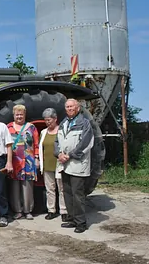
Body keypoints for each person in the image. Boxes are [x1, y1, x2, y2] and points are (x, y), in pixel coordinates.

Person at [55, 99, 94, 233]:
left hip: (77, 164)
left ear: (77, 108)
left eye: (72, 106)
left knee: (78, 195)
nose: (69, 108)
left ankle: (81, 223)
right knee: (67, 193)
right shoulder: (63, 123)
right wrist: (59, 154)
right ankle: (71, 219)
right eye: (67, 107)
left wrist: (70, 155)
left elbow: (86, 143)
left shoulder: (84, 123)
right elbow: (57, 141)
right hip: (64, 164)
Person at [7, 104, 40, 220]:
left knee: (27, 187)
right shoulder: (9, 127)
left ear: (25, 115)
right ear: (13, 115)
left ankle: (28, 210)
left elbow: (36, 143)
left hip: (28, 161)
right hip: (14, 161)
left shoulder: (31, 127)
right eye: (17, 114)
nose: (19, 116)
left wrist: (36, 158)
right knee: (14, 187)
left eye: (21, 114)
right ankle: (17, 210)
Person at [39, 108, 68, 221]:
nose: (47, 122)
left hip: (58, 164)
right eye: (46, 120)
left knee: (61, 189)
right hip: (47, 165)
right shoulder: (43, 132)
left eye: (49, 120)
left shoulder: (61, 131)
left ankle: (64, 211)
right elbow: (41, 148)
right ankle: (51, 210)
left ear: (55, 119)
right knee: (49, 189)